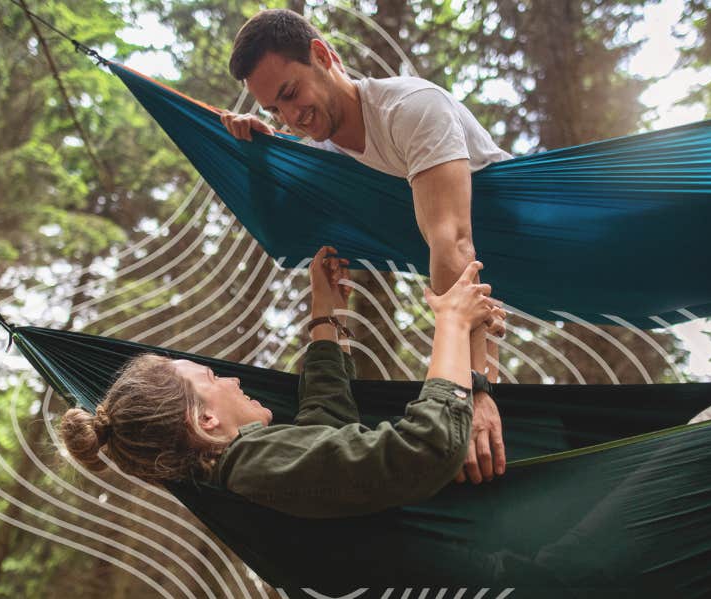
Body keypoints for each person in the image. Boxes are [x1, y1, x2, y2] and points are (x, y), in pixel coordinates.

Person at [219, 8, 511, 484]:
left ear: (323, 55)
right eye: (275, 109)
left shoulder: (411, 108)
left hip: (517, 236)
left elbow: (454, 242)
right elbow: (285, 224)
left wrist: (473, 391)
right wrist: (261, 153)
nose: (292, 117)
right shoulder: (322, 156)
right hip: (477, 278)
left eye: (291, 93)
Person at [59, 246, 506, 518]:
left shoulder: (249, 470)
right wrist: (450, 322)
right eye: (213, 377)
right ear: (207, 420)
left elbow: (324, 425)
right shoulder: (252, 467)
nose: (233, 379)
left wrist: (325, 315)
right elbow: (428, 447)